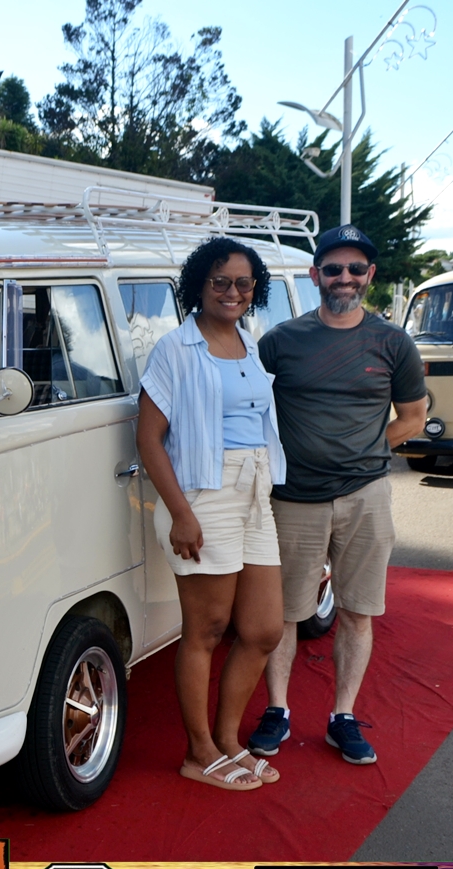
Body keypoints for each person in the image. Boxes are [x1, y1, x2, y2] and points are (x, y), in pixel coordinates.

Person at [249, 225, 428, 766]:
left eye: (354, 269)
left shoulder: (393, 343)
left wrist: (365, 452)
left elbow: (413, 418)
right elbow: (249, 409)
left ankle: (342, 717)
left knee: (356, 611)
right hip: (293, 499)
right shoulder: (280, 342)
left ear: (369, 275)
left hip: (365, 498)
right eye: (333, 269)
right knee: (283, 614)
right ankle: (277, 709)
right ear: (315, 276)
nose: (344, 278)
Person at [135, 237, 287, 791]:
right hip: (203, 493)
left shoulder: (250, 342)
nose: (232, 291)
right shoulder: (175, 349)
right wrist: (180, 513)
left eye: (243, 283)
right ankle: (198, 752)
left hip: (254, 492)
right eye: (220, 281)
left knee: (264, 629)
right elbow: (148, 439)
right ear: (199, 285)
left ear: (255, 289)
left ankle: (228, 739)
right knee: (207, 629)